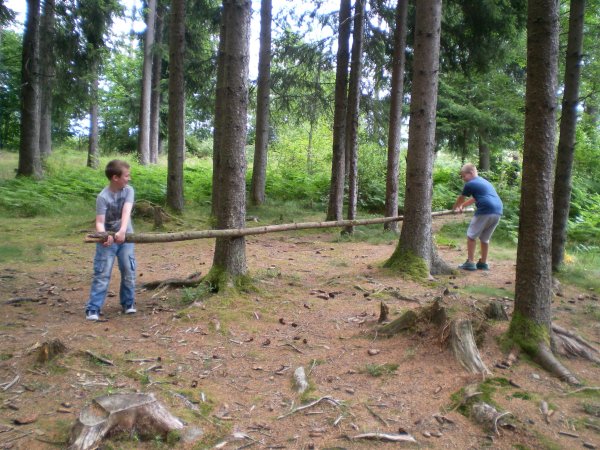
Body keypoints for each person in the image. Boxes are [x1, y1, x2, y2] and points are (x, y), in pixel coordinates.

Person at [85, 160, 136, 320]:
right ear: (115, 177)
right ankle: (93, 308)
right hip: (107, 240)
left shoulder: (128, 191)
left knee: (128, 269)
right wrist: (104, 236)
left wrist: (122, 231)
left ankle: (128, 303)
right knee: (102, 272)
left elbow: (126, 212)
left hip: (126, 236)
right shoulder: (103, 197)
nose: (129, 178)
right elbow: (100, 222)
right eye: (126, 175)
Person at [452, 163, 503, 271]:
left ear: (470, 173)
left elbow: (461, 198)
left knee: (471, 236)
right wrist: (462, 206)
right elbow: (475, 198)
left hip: (485, 209)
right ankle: (483, 263)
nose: (463, 179)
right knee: (484, 238)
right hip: (497, 211)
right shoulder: (484, 182)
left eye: (464, 176)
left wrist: (455, 208)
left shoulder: (470, 183)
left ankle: (470, 262)